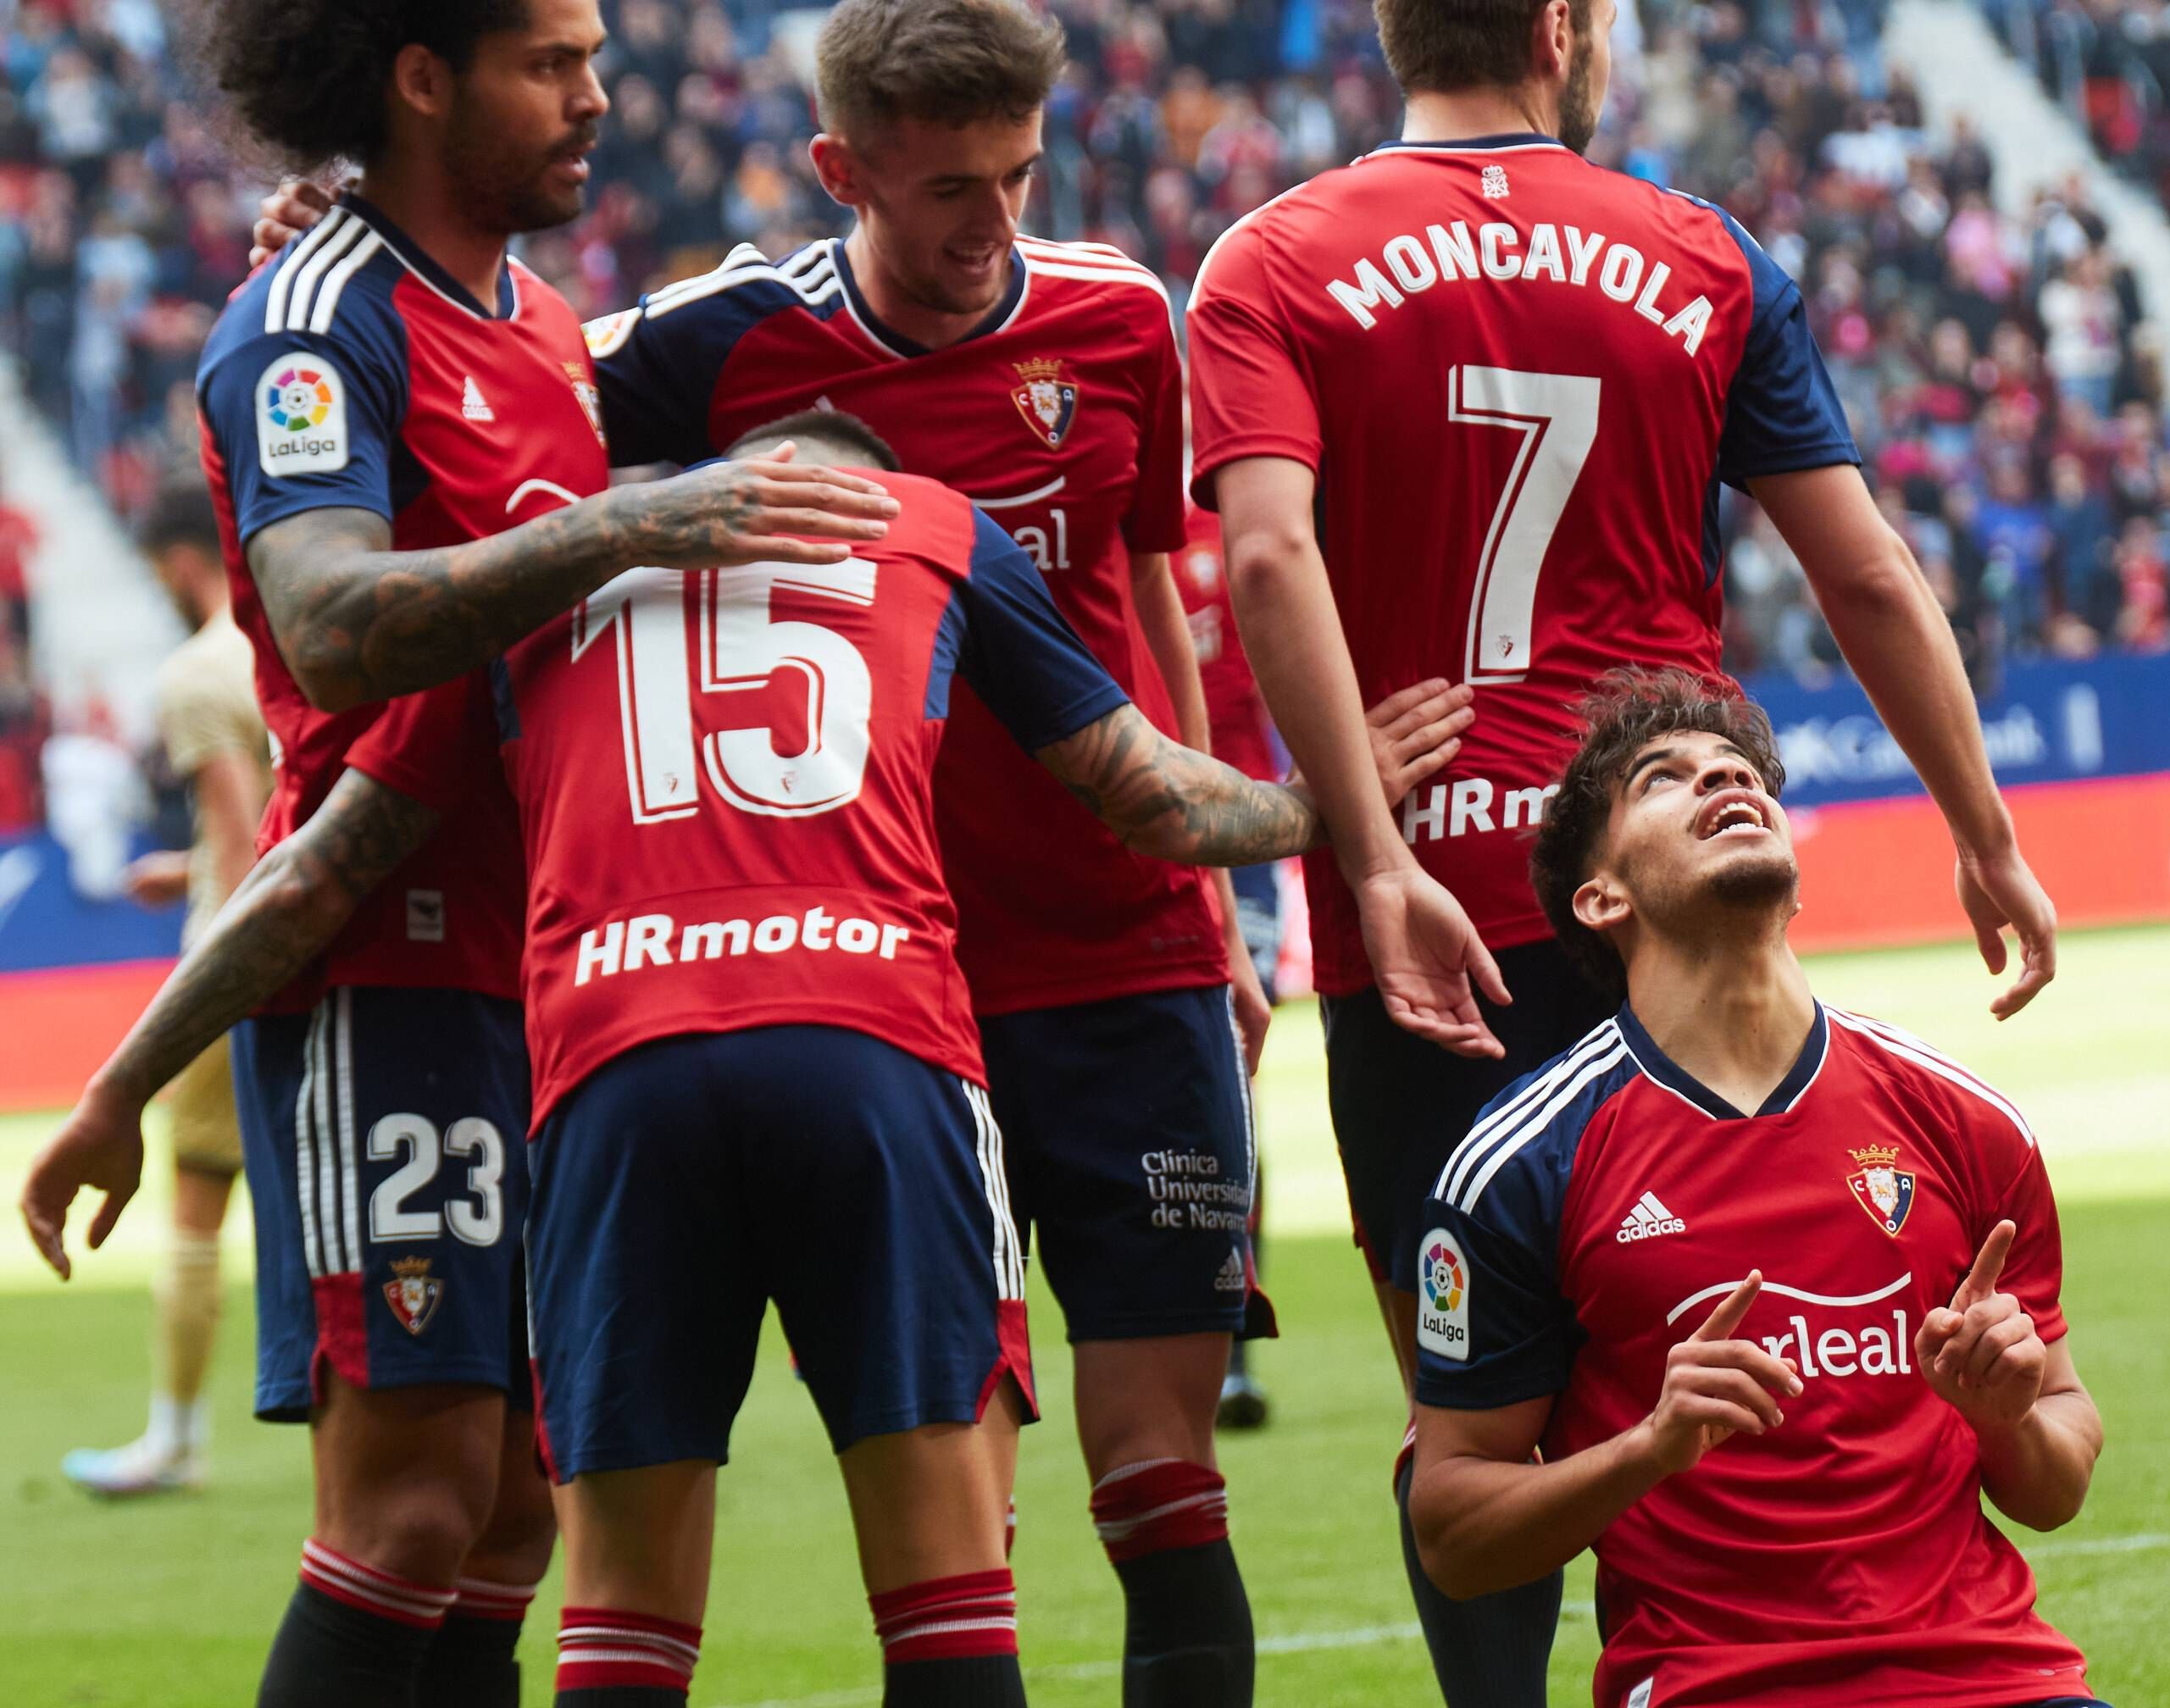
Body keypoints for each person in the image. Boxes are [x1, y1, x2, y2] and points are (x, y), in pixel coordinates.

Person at [249, 4, 1460, 1695]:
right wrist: (349, 250)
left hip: (1119, 950)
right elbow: (481, 383)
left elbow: (1140, 589)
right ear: (843, 173)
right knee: (960, 1496)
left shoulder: (1120, 319)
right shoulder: (702, 344)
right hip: (889, 969)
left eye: (1020, 178)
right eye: (949, 189)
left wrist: (1221, 914)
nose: (994, 228)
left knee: (1160, 1473)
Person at [25, 408, 1342, 1708]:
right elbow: (1152, 796)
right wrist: (1327, 803)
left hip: (616, 1070)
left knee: (623, 1620)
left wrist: (118, 1089)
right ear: (862, 483)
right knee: (947, 1595)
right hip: (874, 1047)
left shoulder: (540, 570)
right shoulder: (935, 528)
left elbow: (313, 874)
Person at [20, 6, 896, 1705]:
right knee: (413, 1510)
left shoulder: (547, 326)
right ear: (420, 74)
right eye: (551, 61)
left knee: (508, 1516)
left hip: (554, 969)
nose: (598, 96)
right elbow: (336, 625)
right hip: (391, 971)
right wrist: (624, 520)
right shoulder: (306, 322)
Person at [1185, 0, 2060, 1695]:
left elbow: (1273, 562)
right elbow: (1865, 571)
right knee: (1757, 1371)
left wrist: (1371, 858)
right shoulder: (1702, 254)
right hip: (1663, 909)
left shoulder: (1271, 260)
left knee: (1475, 1427)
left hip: (1432, 916)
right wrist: (1984, 831)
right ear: (1564, 30)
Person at [1408, 667, 2107, 1708]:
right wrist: (1647, 1450)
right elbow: (1455, 1538)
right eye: (1665, 779)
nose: (1723, 781)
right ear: (1602, 897)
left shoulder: (1967, 1124)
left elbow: (2056, 1483)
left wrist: (2002, 1416)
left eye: (1738, 772)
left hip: (1994, 1681)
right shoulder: (1520, 1166)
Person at [61, 481, 272, 1500]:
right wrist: (184, 866)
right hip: (337, 957)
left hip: (242, 971)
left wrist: (221, 973)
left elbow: (240, 849)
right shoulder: (299, 643)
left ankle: (174, 1439)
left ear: (180, 563)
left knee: (196, 1197)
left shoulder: (198, 674)